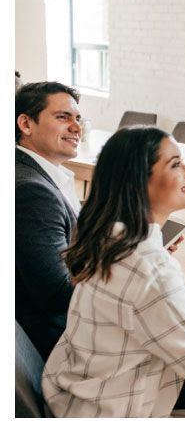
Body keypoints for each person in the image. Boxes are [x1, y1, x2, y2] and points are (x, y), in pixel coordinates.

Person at [42, 128, 185, 417]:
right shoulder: (148, 265)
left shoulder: (111, 236)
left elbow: (132, 303)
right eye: (176, 164)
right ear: (139, 182)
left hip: (73, 399)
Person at [15, 82, 84, 359]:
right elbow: (57, 295)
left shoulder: (39, 173)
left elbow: (67, 236)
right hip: (58, 341)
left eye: (78, 118)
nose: (77, 127)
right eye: (63, 117)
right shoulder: (32, 192)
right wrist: (130, 269)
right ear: (26, 124)